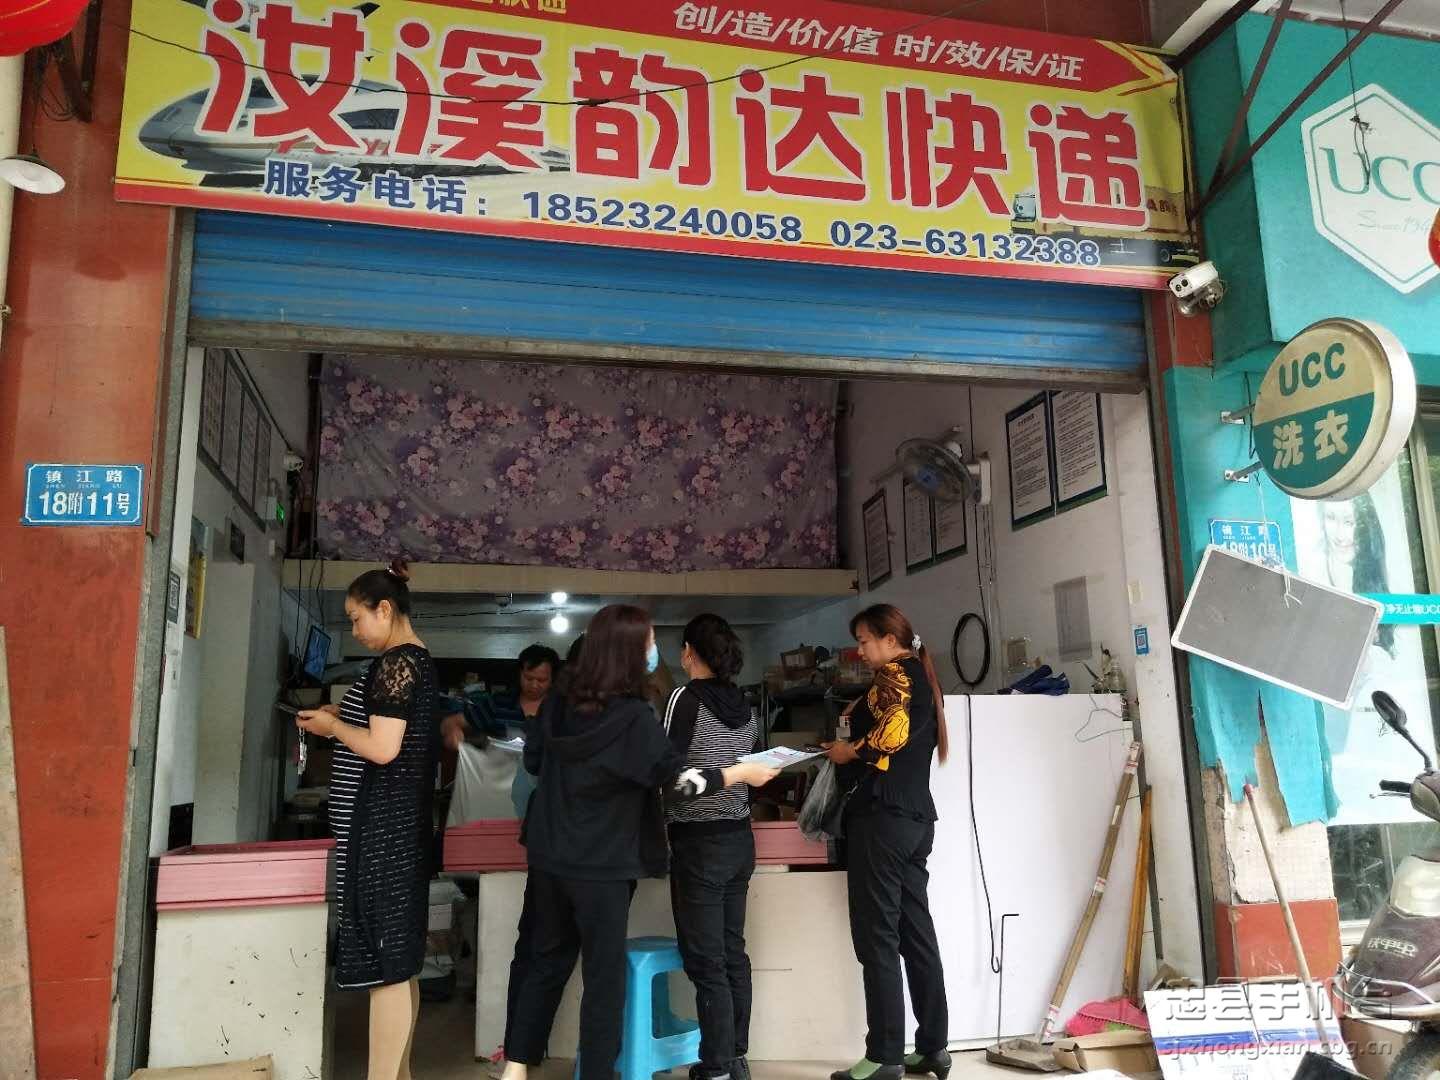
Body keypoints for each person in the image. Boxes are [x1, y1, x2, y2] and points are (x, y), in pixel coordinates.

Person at [501, 605, 778, 1080]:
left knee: (544, 963)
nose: (655, 651)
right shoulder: (633, 717)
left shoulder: (558, 702)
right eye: (649, 642)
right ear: (629, 651)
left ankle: (515, 1067)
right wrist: (739, 773)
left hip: (549, 854)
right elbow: (675, 783)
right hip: (605, 863)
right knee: (603, 978)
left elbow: (534, 763)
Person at [297, 560, 438, 1080]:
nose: (354, 630)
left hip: (383, 830)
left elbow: (383, 748)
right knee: (399, 962)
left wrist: (333, 729)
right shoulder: (418, 659)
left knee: (387, 966)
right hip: (397, 828)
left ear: (385, 609)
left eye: (356, 618)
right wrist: (341, 717)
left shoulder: (397, 663)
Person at [824, 604, 950, 1080]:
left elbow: (890, 738)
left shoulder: (894, 676)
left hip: (882, 820)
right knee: (916, 934)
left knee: (876, 936)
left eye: (864, 640)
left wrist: (847, 750)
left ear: (890, 640)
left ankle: (884, 1054)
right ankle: (933, 1047)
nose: (860, 650)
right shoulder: (919, 677)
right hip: (915, 820)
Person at [664, 614, 761, 1080]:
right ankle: (736, 1056)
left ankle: (717, 1066)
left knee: (707, 962)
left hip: (698, 844)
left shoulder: (685, 699)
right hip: (740, 841)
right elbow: (749, 771)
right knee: (732, 952)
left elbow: (671, 783)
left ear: (688, 652)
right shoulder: (745, 704)